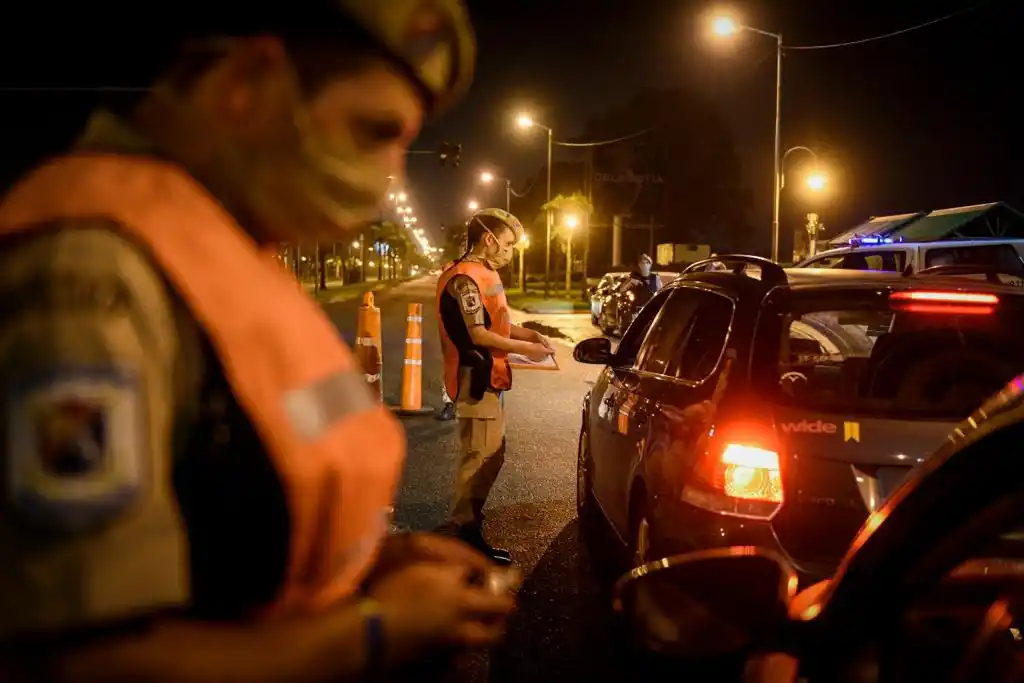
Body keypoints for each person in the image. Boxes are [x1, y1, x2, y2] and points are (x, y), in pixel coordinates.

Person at [0, 4, 517, 682]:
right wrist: (376, 630)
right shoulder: (91, 275)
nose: (389, 173)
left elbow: (226, 526)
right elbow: (82, 659)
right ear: (247, 83)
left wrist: (368, 565)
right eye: (374, 131)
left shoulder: (227, 249)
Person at [435, 209, 554, 564]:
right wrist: (529, 349)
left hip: (491, 378)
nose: (511, 252)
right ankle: (463, 535)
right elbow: (478, 333)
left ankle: (467, 528)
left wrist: (528, 332)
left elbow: (498, 324)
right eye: (508, 244)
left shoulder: (486, 274)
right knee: (479, 458)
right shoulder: (464, 278)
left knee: (492, 454)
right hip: (475, 379)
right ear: (488, 240)